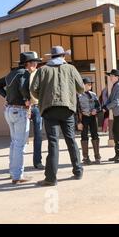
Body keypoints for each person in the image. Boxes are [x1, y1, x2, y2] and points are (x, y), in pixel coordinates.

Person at [30, 46, 85, 187]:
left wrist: (43, 97)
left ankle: (51, 178)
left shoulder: (42, 70)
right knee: (71, 140)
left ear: (51, 57)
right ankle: (78, 171)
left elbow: (33, 90)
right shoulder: (71, 68)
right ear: (63, 56)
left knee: (53, 143)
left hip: (49, 110)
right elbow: (81, 88)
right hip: (67, 108)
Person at [0, 52, 40, 184]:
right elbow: (23, 88)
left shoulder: (11, 74)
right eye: (35, 62)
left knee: (14, 143)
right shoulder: (24, 74)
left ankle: (13, 172)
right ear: (28, 64)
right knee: (20, 144)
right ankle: (17, 176)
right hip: (19, 111)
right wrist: (27, 99)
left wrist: (6, 96)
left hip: (9, 110)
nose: (36, 65)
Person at [102, 69, 119, 163]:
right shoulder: (114, 86)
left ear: (117, 77)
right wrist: (104, 106)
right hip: (116, 113)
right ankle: (118, 155)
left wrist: (106, 108)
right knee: (116, 133)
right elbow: (110, 99)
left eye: (112, 76)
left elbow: (116, 101)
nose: (110, 77)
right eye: (110, 76)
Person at [77, 77, 101, 165]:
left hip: (92, 117)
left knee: (95, 135)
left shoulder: (93, 94)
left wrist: (96, 110)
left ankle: (97, 156)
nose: (90, 85)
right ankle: (85, 157)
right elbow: (76, 109)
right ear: (83, 85)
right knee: (84, 136)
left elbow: (99, 106)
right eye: (88, 84)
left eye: (91, 84)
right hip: (83, 118)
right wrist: (78, 121)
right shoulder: (78, 95)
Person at [27, 53, 44, 170]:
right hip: (24, 108)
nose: (35, 64)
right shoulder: (21, 74)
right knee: (21, 137)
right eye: (33, 62)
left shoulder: (40, 73)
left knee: (38, 135)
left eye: (37, 62)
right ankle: (18, 165)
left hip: (37, 107)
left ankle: (37, 161)